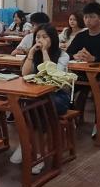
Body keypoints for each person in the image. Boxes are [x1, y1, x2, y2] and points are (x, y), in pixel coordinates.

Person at [13, 23, 72, 175]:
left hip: (58, 95)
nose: (40, 40)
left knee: (38, 108)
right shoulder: (35, 53)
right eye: (38, 37)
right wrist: (31, 53)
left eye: (45, 37)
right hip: (36, 95)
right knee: (23, 105)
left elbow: (52, 77)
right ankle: (28, 144)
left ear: (53, 38)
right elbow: (25, 74)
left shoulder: (63, 55)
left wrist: (45, 51)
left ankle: (37, 154)